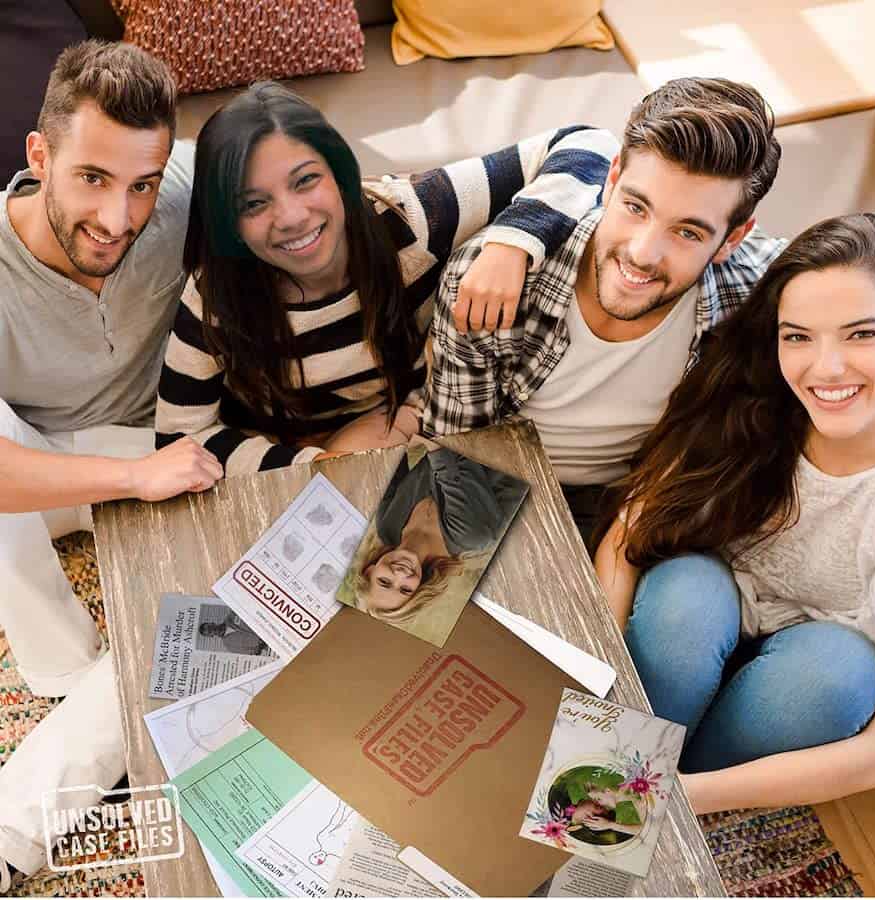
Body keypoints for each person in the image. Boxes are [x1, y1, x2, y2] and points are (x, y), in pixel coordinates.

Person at [0, 41, 223, 890]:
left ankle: (14, 825)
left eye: (141, 185)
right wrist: (133, 480)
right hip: (43, 465)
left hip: (159, 442)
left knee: (206, 616)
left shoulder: (185, 189)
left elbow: (329, 198)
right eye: (92, 178)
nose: (118, 218)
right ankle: (61, 663)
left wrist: (514, 238)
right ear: (39, 156)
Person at [594, 214, 875, 813]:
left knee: (836, 676)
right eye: (798, 336)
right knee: (688, 593)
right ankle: (607, 773)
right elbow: (630, 531)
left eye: (862, 334)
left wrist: (677, 799)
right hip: (705, 605)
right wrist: (595, 683)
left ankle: (649, 803)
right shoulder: (759, 396)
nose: (826, 368)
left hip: (821, 663)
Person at [155, 82, 619, 472]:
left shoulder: (411, 220)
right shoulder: (217, 294)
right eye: (254, 204)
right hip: (290, 459)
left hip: (409, 421)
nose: (292, 216)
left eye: (306, 181)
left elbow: (589, 142)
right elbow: (179, 439)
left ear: (340, 173)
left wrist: (514, 242)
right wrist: (316, 463)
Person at [423, 77, 787, 548]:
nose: (642, 253)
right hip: (501, 488)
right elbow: (459, 450)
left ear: (731, 240)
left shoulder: (756, 291)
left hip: (636, 502)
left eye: (688, 233)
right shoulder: (492, 281)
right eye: (636, 207)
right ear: (611, 180)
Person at [352, 446, 527, 622]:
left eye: (384, 581)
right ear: (419, 588)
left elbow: (388, 455)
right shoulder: (469, 537)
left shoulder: (387, 527)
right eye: (405, 589)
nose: (400, 574)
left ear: (369, 571)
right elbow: (452, 451)